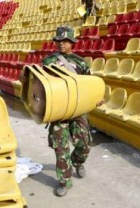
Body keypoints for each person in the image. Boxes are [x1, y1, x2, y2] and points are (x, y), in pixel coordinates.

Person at [41, 26, 100, 197]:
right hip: (58, 111)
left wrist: (96, 98)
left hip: (78, 109)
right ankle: (64, 180)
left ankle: (77, 162)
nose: (61, 44)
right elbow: (41, 85)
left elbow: (90, 85)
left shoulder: (81, 62)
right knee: (61, 148)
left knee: (84, 145)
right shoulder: (48, 62)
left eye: (65, 41)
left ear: (72, 43)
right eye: (59, 41)